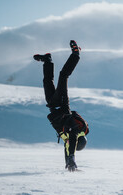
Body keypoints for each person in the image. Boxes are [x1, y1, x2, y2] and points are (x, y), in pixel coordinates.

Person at [33, 40, 89, 171]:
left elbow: (67, 147)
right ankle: (76, 55)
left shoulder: (68, 140)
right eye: (71, 143)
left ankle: (47, 61)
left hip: (52, 106)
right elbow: (72, 143)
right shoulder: (75, 131)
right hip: (63, 104)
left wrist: (69, 165)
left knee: (47, 81)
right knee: (63, 75)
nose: (68, 143)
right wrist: (72, 159)